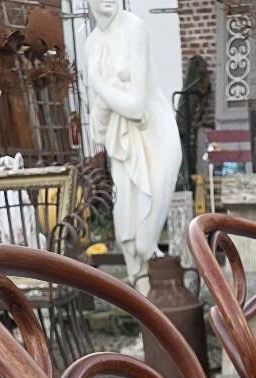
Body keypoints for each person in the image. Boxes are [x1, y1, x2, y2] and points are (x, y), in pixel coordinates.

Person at [85, 0, 181, 293]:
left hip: (156, 139)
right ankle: (149, 322)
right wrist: (103, 100)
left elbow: (137, 106)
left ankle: (174, 299)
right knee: (128, 242)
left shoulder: (134, 29)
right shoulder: (91, 44)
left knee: (144, 240)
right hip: (123, 145)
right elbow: (96, 130)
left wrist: (98, 84)